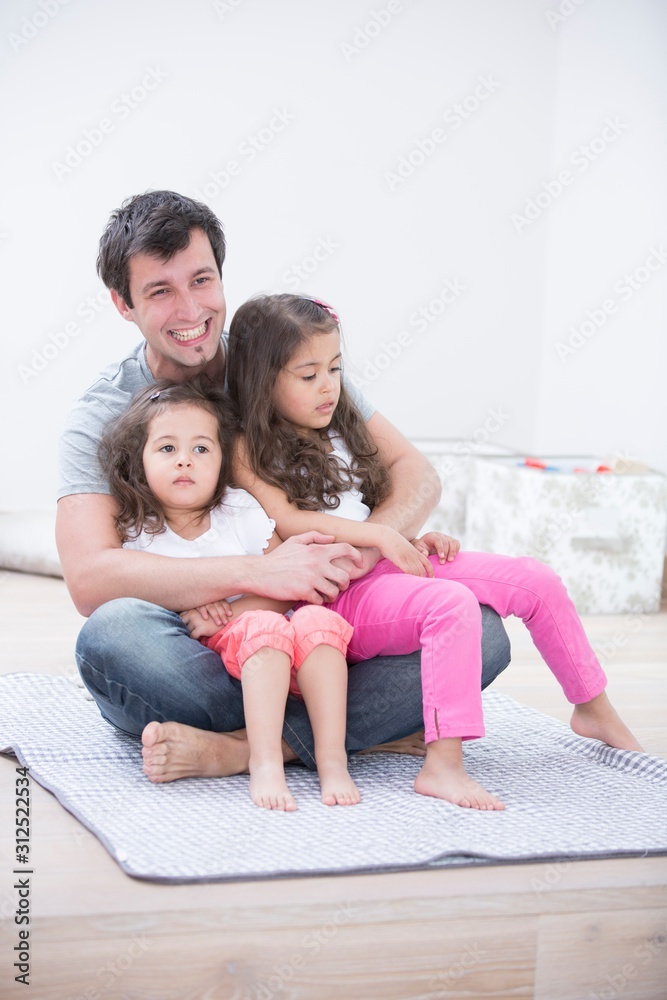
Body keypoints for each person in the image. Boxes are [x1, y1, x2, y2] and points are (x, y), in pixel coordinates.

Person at [56, 189, 511, 786]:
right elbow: (91, 579)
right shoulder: (102, 412)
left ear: (221, 276)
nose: (190, 308)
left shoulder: (282, 362)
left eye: (201, 280)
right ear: (123, 304)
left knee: (483, 633)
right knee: (112, 638)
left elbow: (417, 474)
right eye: (159, 291)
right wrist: (261, 575)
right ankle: (339, 730)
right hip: (214, 641)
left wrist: (361, 551)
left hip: (333, 626)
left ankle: (245, 750)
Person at [223, 293, 643, 799]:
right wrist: (382, 536)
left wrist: (408, 536)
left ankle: (592, 708)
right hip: (341, 595)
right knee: (452, 606)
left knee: (536, 579)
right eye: (307, 375)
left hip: (387, 567)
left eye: (334, 369)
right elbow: (289, 521)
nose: (328, 387)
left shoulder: (342, 428)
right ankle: (443, 764)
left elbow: (372, 500)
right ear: (262, 380)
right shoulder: (246, 446)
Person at [98, 376, 360, 810]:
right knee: (255, 628)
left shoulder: (238, 509)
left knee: (319, 620)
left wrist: (230, 609)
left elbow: (286, 583)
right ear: (138, 459)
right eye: (167, 449)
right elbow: (147, 617)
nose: (185, 461)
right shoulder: (139, 532)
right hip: (216, 671)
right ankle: (265, 760)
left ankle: (334, 760)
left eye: (201, 449)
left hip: (279, 649)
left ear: (223, 461)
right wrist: (194, 609)